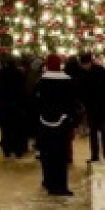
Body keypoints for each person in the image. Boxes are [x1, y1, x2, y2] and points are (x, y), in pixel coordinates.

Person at [34, 55, 78, 196]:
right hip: (62, 124)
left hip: (43, 123)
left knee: (47, 154)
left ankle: (48, 180)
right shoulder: (67, 82)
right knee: (60, 154)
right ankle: (60, 185)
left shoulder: (41, 82)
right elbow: (72, 103)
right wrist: (71, 120)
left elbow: (35, 103)